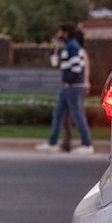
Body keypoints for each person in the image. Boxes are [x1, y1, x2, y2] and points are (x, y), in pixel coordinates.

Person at [36, 23, 94, 154]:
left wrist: (68, 81)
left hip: (72, 87)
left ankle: (87, 144)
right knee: (59, 114)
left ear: (66, 33)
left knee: (77, 115)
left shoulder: (72, 46)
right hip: (69, 86)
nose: (59, 34)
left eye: (60, 32)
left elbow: (76, 68)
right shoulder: (69, 46)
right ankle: (53, 142)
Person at [60, 29, 90, 152]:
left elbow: (82, 70)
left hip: (77, 86)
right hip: (79, 86)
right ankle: (67, 142)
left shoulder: (78, 51)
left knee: (76, 115)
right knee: (68, 115)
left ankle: (85, 142)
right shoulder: (81, 51)